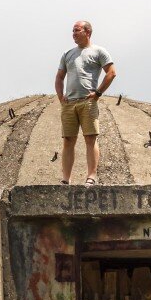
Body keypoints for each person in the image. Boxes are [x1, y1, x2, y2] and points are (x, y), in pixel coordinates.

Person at [55, 20, 116, 185]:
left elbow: (111, 72)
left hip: (87, 102)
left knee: (90, 138)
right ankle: (66, 179)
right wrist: (61, 96)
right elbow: (60, 77)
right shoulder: (67, 53)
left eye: (77, 30)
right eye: (73, 31)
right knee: (68, 140)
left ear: (87, 32)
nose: (73, 33)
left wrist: (97, 93)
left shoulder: (99, 52)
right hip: (69, 103)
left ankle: (91, 176)